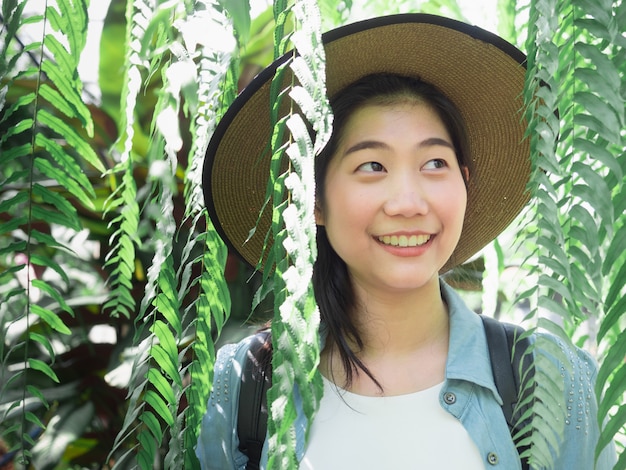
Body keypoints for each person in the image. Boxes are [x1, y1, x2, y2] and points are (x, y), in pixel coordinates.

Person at [196, 13, 616, 470]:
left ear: (464, 183)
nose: (408, 202)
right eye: (372, 166)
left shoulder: (552, 384)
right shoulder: (246, 387)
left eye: (434, 163)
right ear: (312, 200)